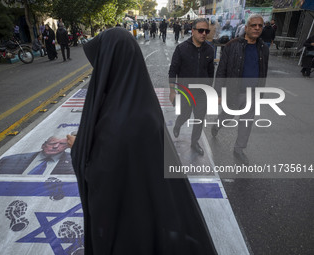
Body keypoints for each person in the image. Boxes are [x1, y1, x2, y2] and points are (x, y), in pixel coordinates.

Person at [66, 27, 217, 255]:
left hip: (127, 222)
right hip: (148, 210)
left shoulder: (118, 114)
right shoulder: (141, 100)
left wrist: (79, 147)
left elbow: (102, 173)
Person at [212, 14, 269, 165]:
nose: (257, 28)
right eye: (253, 25)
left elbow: (264, 71)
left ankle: (239, 149)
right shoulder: (232, 45)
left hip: (252, 94)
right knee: (228, 116)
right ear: (246, 27)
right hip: (233, 91)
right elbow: (221, 70)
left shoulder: (264, 48)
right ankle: (217, 125)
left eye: (260, 26)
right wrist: (218, 93)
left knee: (246, 122)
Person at [169, 18, 214, 156]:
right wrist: (172, 91)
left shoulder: (210, 50)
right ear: (193, 31)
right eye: (201, 30)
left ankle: (195, 143)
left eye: (206, 31)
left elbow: (211, 72)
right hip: (185, 91)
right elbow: (173, 71)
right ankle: (177, 125)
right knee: (185, 115)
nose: (204, 33)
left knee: (199, 119)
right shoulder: (181, 48)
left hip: (202, 93)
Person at [0, 136, 73, 175]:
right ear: (43, 145)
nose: (55, 146)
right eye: (52, 143)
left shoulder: (75, 163)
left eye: (62, 144)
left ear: (66, 147)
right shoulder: (9, 160)